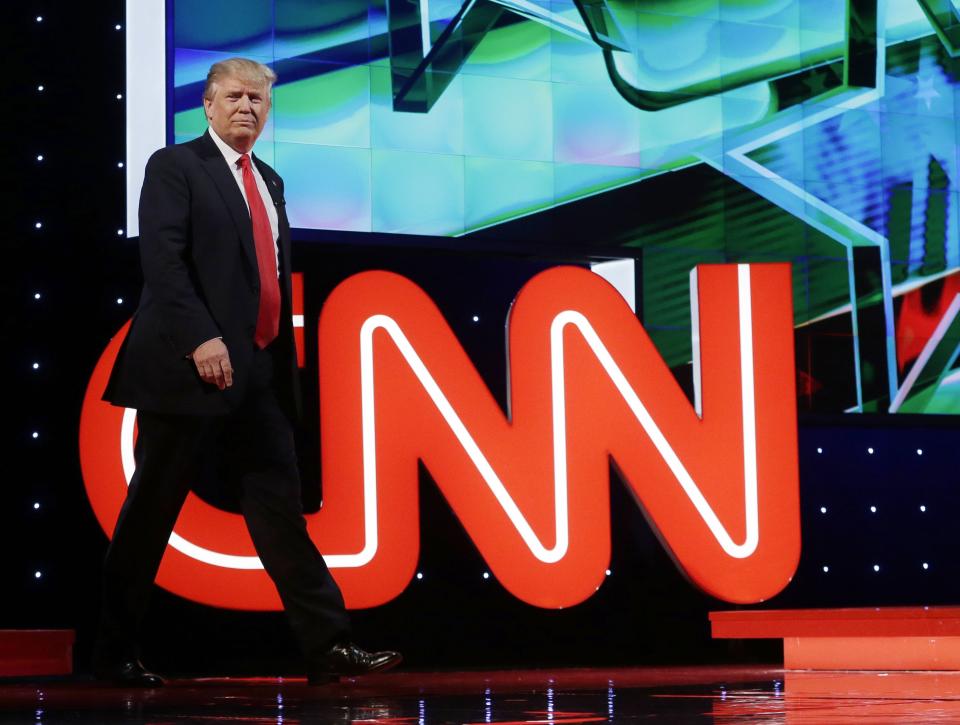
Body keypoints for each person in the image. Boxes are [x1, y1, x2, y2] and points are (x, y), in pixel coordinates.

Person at [94, 57, 401, 687]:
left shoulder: (271, 180)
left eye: (257, 100)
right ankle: (112, 654)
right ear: (207, 106)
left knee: (280, 514)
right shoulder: (175, 166)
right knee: (151, 514)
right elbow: (164, 263)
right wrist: (202, 337)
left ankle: (329, 648)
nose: (246, 107)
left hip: (258, 374)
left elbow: (270, 276)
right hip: (189, 368)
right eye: (233, 96)